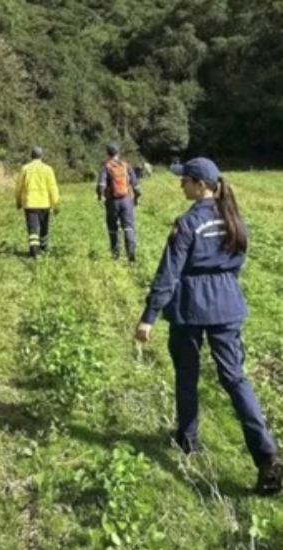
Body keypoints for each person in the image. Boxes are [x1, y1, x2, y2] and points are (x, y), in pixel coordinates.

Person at [134, 158, 281, 495]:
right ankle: (266, 453)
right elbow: (238, 260)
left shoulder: (187, 223)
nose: (180, 185)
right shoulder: (234, 219)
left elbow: (168, 273)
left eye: (185, 180)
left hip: (189, 307)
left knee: (187, 372)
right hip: (228, 304)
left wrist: (149, 316)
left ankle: (188, 438)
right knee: (235, 378)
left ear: (200, 185)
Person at [96, 142, 141, 262]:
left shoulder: (106, 167)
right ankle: (131, 256)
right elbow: (136, 186)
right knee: (128, 227)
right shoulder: (126, 165)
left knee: (112, 228)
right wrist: (136, 198)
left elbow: (101, 185)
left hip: (112, 202)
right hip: (126, 200)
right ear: (118, 152)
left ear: (107, 153)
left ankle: (115, 255)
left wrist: (100, 197)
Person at [15, 146, 60, 258]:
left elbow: (19, 186)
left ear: (31, 156)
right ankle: (44, 248)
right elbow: (53, 187)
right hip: (44, 203)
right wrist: (55, 204)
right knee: (44, 227)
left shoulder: (25, 169)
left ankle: (34, 251)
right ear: (42, 156)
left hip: (30, 203)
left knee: (33, 228)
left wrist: (18, 200)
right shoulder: (48, 169)